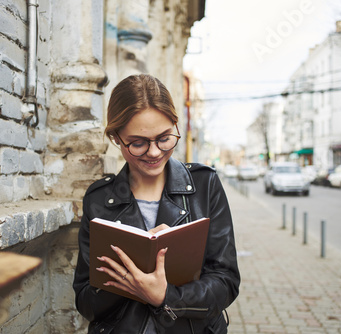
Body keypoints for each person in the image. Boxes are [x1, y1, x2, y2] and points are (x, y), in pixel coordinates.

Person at [73, 74, 240, 334]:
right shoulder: (98, 200)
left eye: (164, 138)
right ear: (116, 138)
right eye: (138, 143)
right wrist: (130, 279)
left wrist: (166, 296)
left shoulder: (204, 185)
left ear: (176, 125)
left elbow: (226, 282)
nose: (153, 152)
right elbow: (86, 302)